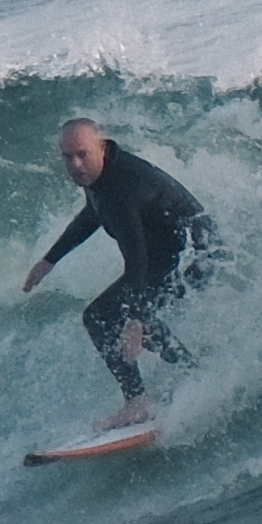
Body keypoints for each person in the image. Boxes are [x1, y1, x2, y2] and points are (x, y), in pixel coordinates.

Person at [21, 115, 214, 417]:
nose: (75, 164)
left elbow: (136, 255)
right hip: (175, 250)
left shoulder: (122, 189)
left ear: (100, 146)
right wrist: (49, 260)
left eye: (82, 154)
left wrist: (135, 319)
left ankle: (138, 401)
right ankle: (195, 374)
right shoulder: (100, 175)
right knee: (126, 316)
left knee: (103, 316)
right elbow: (93, 213)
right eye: (67, 157)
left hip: (196, 253)